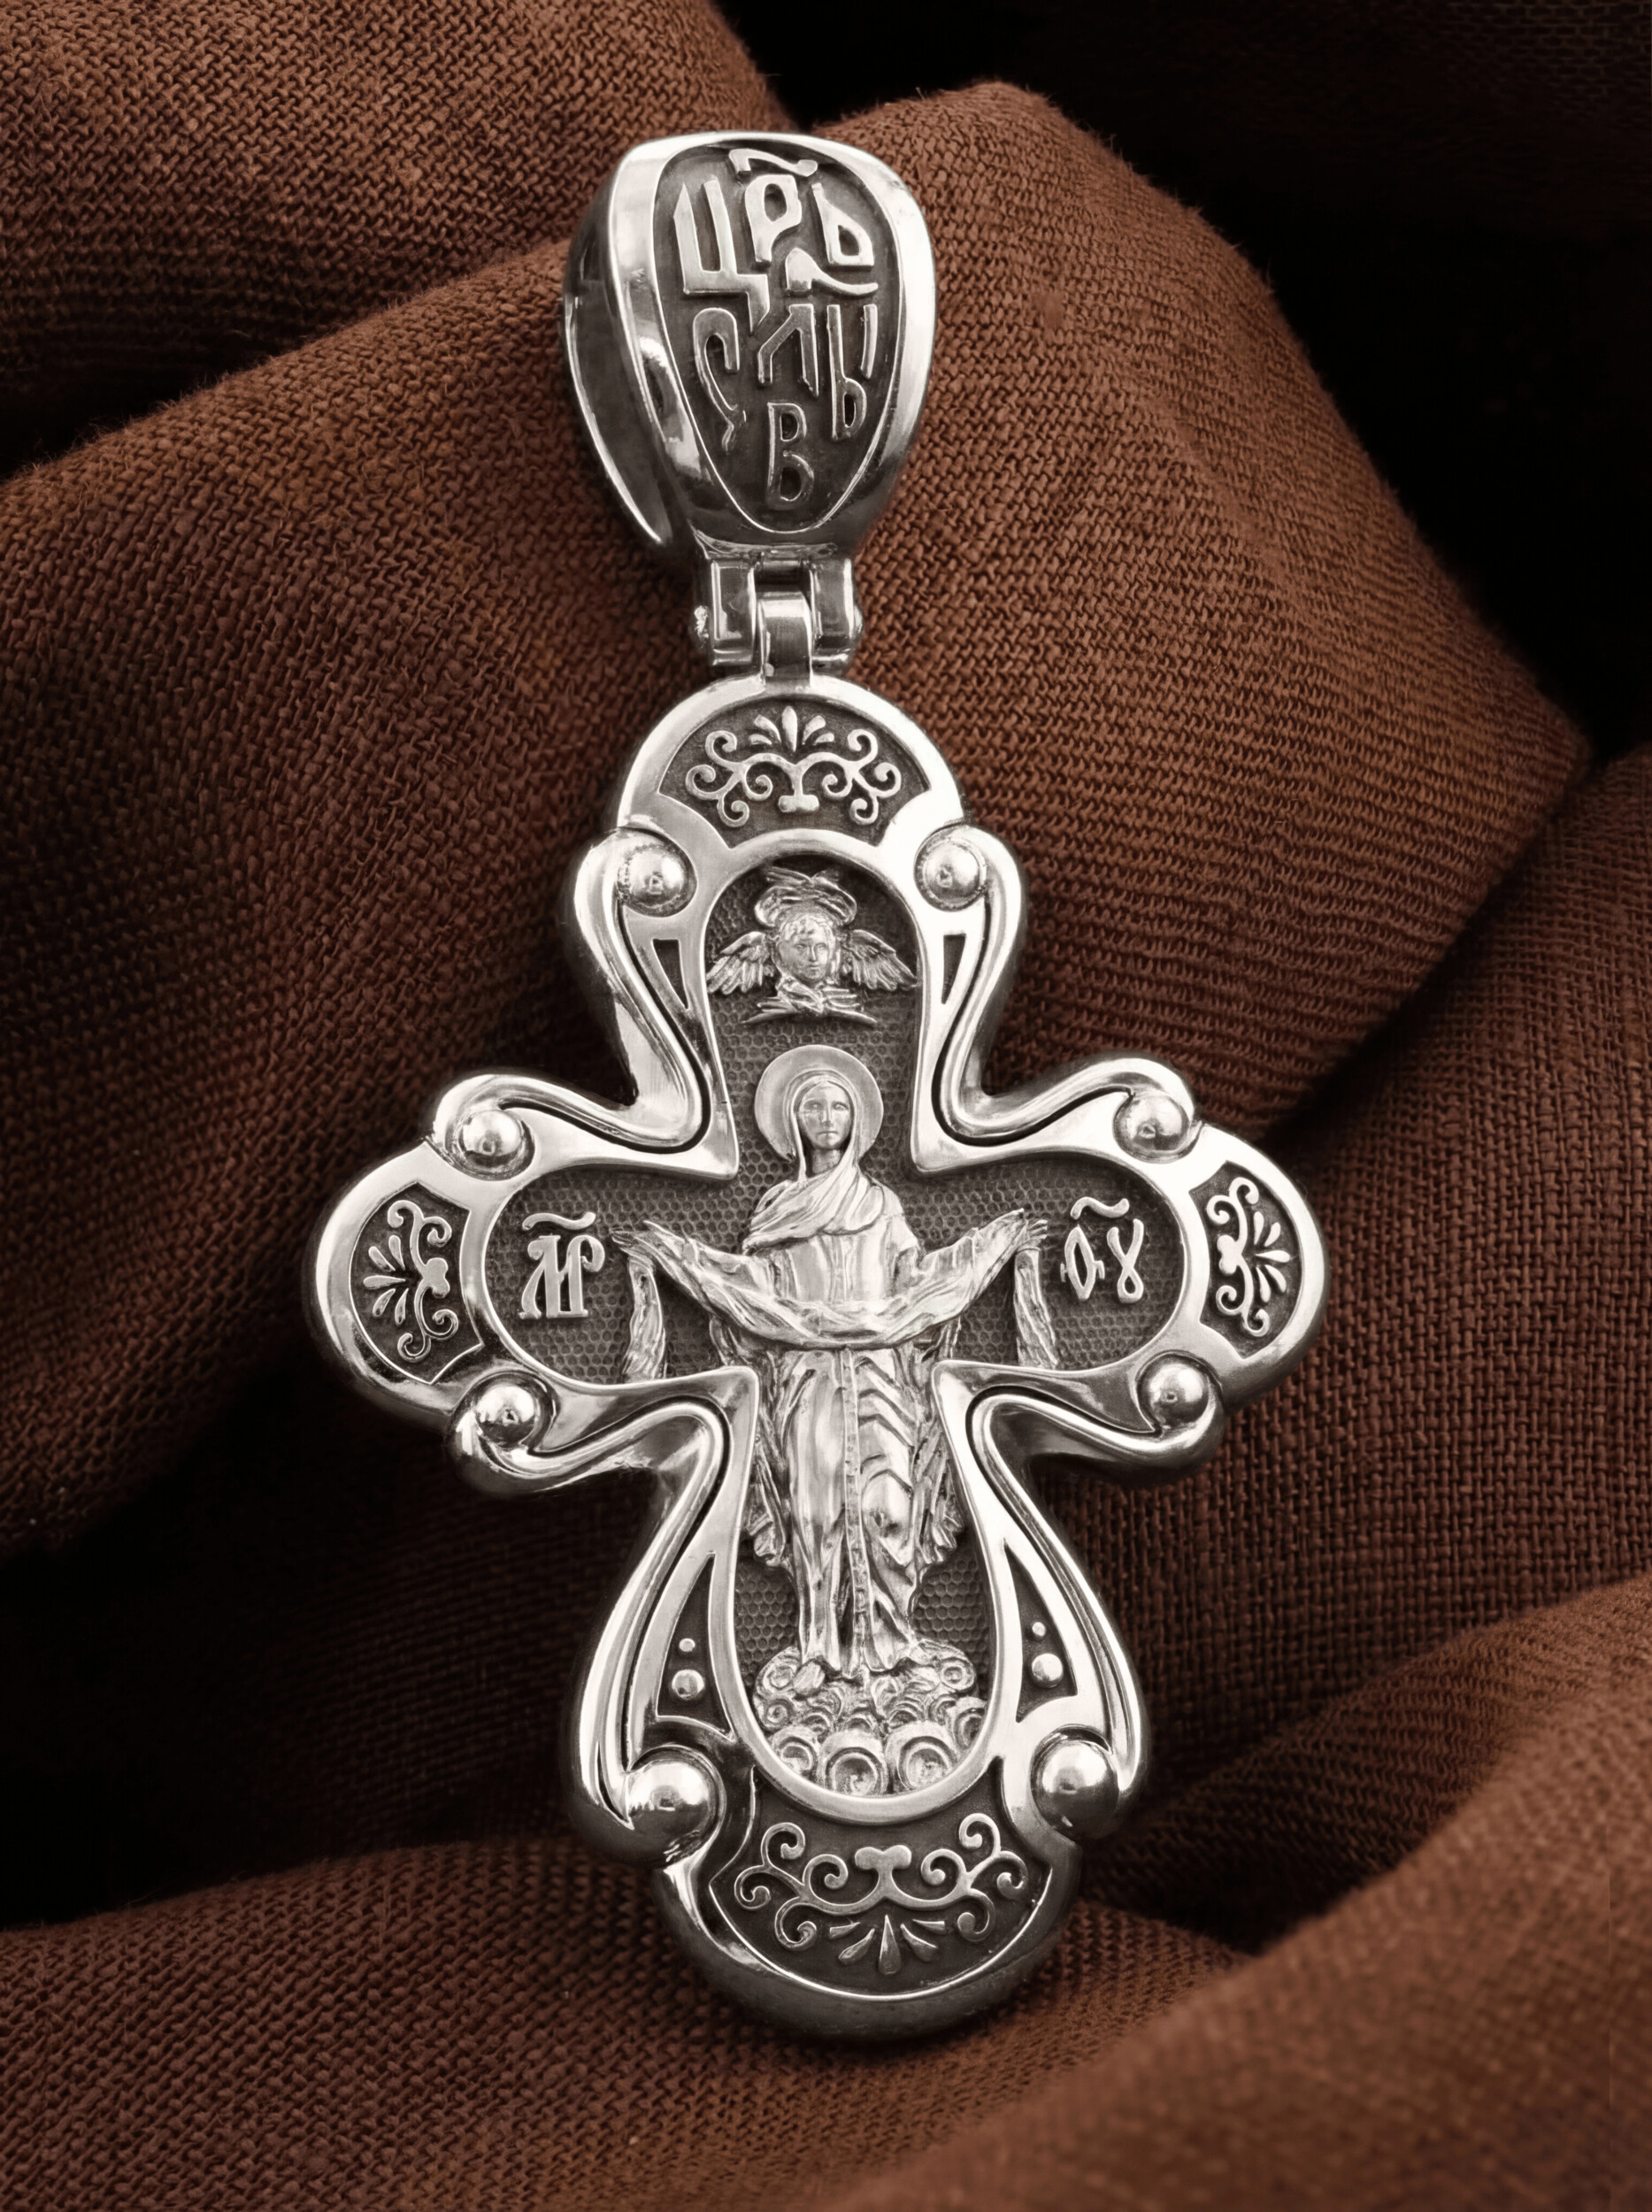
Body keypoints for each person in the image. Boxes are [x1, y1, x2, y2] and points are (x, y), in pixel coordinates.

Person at [622, 1049, 1042, 1702]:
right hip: (807, 1373)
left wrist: (990, 1248)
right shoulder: (779, 1206)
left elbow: (914, 1279)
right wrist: (677, 1255)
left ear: (857, 1121)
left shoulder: (879, 1201)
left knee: (889, 1507)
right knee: (815, 1515)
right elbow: (752, 1285)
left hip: (881, 1372)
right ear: (792, 1121)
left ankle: (895, 1641)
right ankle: (819, 1646)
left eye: (839, 1106)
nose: (826, 1118)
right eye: (813, 1107)